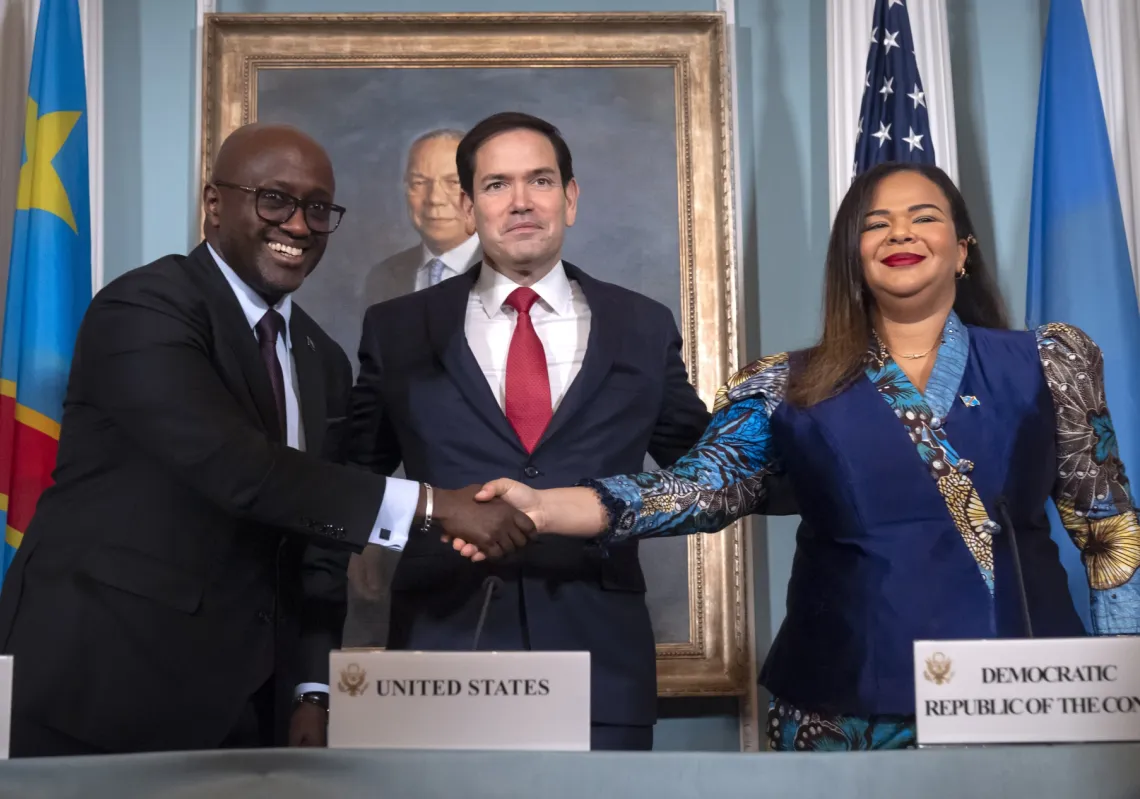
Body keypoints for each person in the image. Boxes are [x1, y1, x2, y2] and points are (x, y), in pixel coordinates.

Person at [466, 162, 1140, 751]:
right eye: (876, 224)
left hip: (1024, 692)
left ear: (962, 249)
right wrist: (543, 507)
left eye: (923, 217)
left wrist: (1124, 690)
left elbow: (1109, 533)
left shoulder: (1050, 362)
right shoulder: (781, 386)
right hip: (841, 707)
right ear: (852, 257)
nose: (900, 234)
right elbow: (698, 489)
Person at [0, 122, 532, 758]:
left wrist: (311, 688)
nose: (299, 226)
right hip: (103, 687)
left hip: (252, 709)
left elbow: (315, 544)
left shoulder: (321, 359)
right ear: (214, 204)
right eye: (274, 200)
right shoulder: (144, 308)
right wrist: (436, 505)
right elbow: (239, 470)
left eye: (317, 209)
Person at [347, 111, 712, 751]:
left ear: (569, 199)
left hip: (601, 666)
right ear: (469, 208)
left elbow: (709, 474)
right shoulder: (398, 328)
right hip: (441, 657)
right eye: (497, 185)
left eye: (540, 181)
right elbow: (348, 477)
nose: (521, 202)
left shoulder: (642, 325)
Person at [362, 128, 482, 305]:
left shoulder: (510, 270)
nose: (434, 199)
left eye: (453, 182)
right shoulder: (383, 277)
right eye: (419, 183)